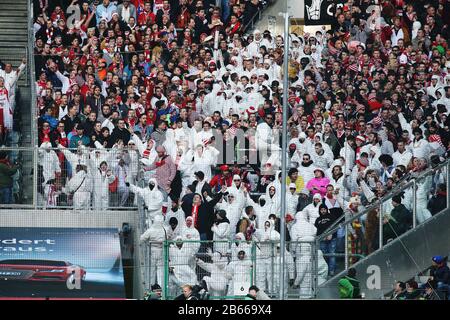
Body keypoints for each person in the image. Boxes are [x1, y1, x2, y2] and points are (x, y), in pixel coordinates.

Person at [140, 215, 167, 287]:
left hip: (152, 250)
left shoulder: (150, 230)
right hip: (162, 250)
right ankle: (160, 285)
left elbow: (142, 238)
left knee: (152, 268)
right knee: (160, 268)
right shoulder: (164, 230)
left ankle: (151, 284)